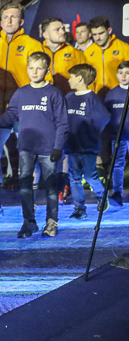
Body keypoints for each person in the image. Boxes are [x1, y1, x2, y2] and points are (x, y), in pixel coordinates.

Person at [0, 52, 68, 238]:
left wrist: (58, 146)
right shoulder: (21, 93)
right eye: (31, 68)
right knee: (26, 186)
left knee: (51, 187)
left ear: (47, 70)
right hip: (26, 147)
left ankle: (51, 222)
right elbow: (12, 114)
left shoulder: (53, 93)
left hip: (48, 148)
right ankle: (29, 222)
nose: (34, 72)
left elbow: (62, 122)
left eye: (39, 68)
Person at [0, 3, 43, 219]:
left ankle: (30, 204)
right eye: (5, 17)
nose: (9, 21)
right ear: (0, 23)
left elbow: (43, 78)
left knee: (28, 156)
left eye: (14, 17)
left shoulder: (32, 45)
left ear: (21, 22)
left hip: (24, 109)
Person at [63, 64, 110, 219]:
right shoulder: (69, 98)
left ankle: (102, 195)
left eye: (71, 77)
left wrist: (90, 134)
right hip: (72, 145)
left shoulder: (93, 99)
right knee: (74, 177)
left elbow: (103, 118)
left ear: (80, 78)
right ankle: (79, 208)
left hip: (88, 146)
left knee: (90, 176)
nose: (68, 80)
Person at [103, 61, 129, 207]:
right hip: (118, 136)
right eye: (121, 73)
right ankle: (117, 193)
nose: (123, 76)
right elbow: (107, 115)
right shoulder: (112, 94)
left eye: (127, 73)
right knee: (118, 165)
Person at [85, 16, 129, 95]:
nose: (97, 38)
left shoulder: (124, 48)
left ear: (109, 30)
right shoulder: (89, 51)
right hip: (96, 96)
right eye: (94, 34)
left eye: (101, 33)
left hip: (120, 95)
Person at [41, 17, 86, 93]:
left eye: (63, 29)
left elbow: (86, 80)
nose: (62, 32)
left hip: (69, 99)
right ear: (46, 35)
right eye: (57, 30)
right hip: (43, 98)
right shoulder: (38, 51)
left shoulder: (75, 53)